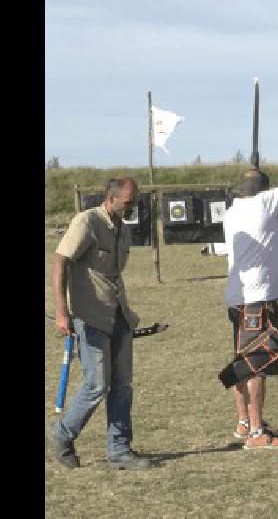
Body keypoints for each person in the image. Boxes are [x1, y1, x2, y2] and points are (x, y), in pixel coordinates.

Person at [48, 177, 153, 469]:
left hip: (118, 315)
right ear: (111, 198)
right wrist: (61, 311)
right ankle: (61, 434)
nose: (133, 207)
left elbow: (113, 274)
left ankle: (119, 451)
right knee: (97, 385)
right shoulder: (87, 222)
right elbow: (60, 261)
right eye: (129, 202)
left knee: (122, 385)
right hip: (90, 316)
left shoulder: (122, 229)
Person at [224, 169, 278, 449]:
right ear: (262, 191)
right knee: (257, 361)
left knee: (241, 360)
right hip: (257, 297)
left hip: (238, 296)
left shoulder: (232, 211)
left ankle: (244, 423)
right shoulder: (261, 203)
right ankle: (257, 433)